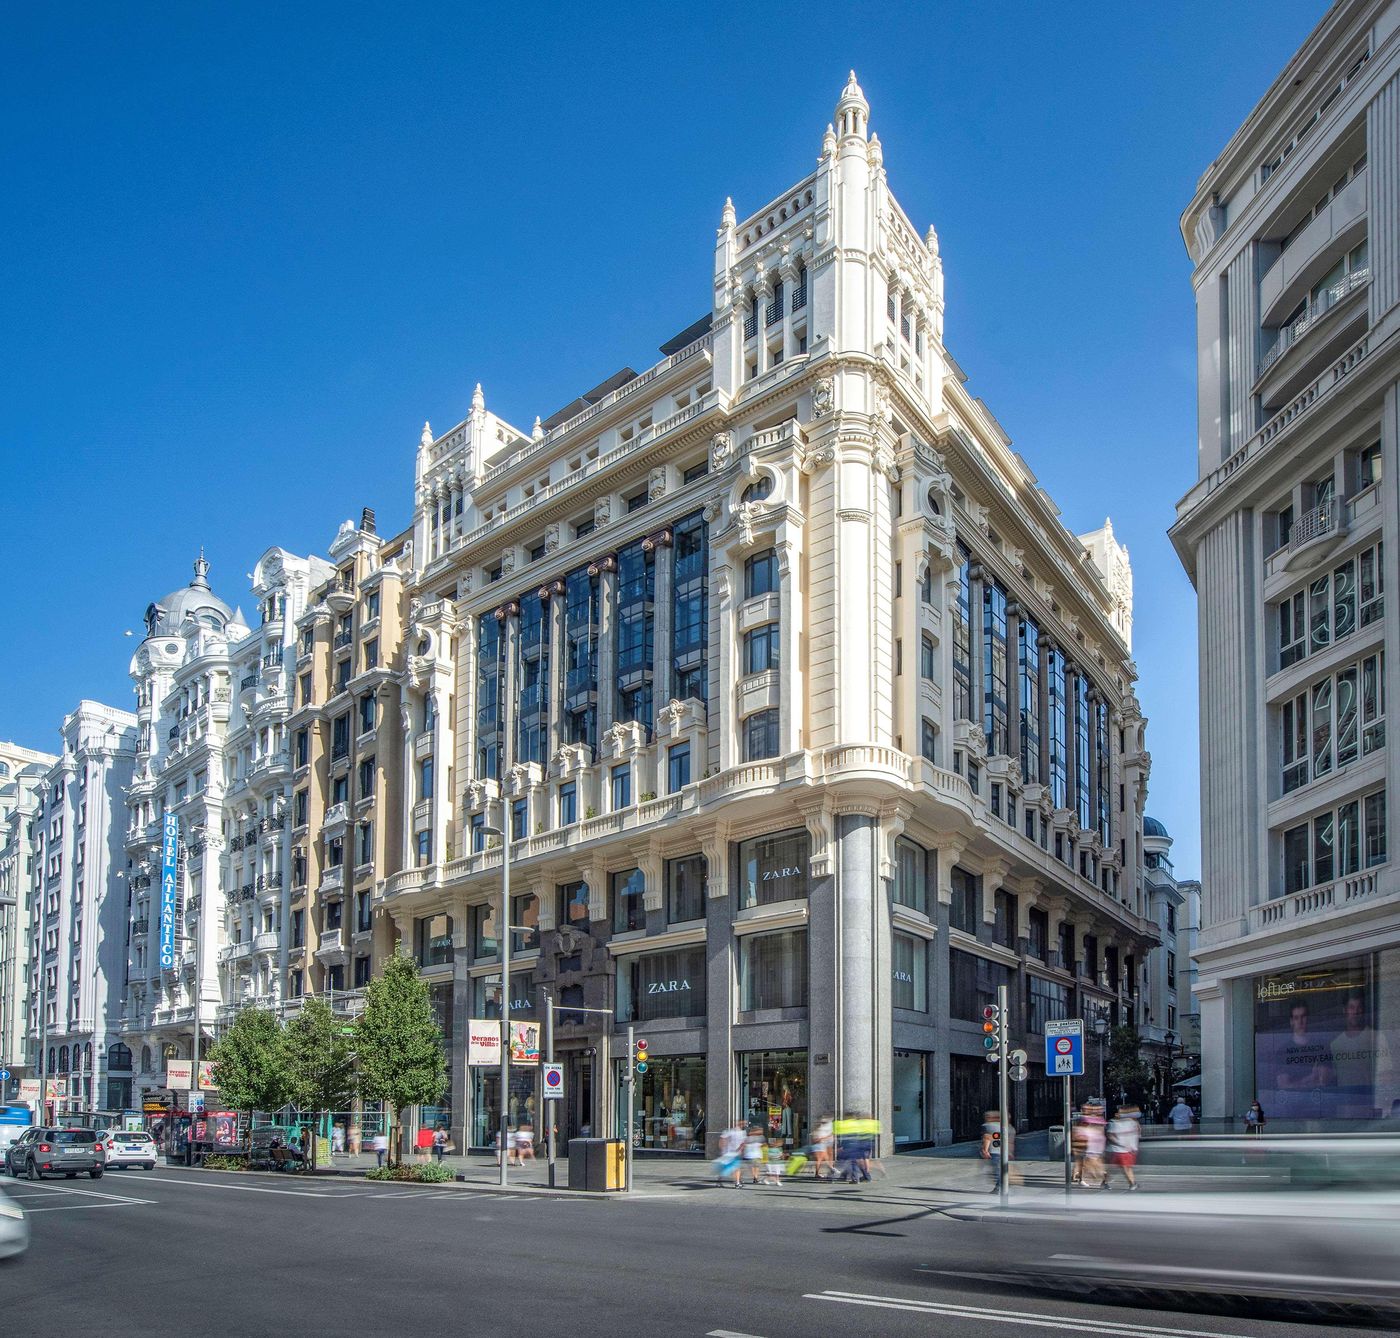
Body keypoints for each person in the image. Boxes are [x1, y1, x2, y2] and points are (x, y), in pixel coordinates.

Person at [1105, 1105, 1141, 1190]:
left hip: (1125, 1149)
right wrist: (1120, 1143)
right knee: (1125, 1167)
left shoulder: (1132, 1123)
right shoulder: (1114, 1123)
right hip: (1119, 1149)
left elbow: (1135, 1135)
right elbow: (1110, 1136)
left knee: (1120, 1168)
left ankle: (1105, 1181)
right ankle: (1132, 1183)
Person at [980, 1109, 1006, 1191]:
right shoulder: (1001, 1126)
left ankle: (999, 1187)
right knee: (999, 1169)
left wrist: (985, 1150)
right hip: (1002, 1150)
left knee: (996, 1170)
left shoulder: (987, 1126)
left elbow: (987, 1137)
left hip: (994, 1151)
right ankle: (1001, 1186)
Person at [715, 1120, 744, 1188]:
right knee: (732, 1168)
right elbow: (722, 1139)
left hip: (732, 1153)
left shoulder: (739, 1132)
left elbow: (742, 1143)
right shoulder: (732, 1132)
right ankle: (736, 1183)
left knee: (731, 1168)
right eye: (742, 1124)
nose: (743, 1125)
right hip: (731, 1153)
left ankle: (735, 1182)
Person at [811, 1115, 835, 1181]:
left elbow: (814, 1139)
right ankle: (830, 1170)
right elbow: (819, 1139)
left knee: (821, 1159)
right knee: (823, 1159)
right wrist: (827, 1137)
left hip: (819, 1146)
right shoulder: (820, 1129)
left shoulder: (816, 1129)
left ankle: (819, 1173)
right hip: (820, 1145)